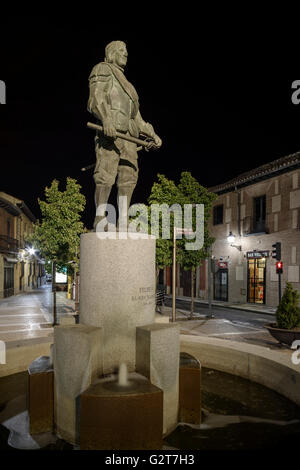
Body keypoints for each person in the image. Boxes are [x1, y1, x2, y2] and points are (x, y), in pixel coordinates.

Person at [88, 40, 162, 230]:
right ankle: (99, 217)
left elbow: (136, 118)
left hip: (129, 136)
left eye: (126, 51)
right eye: (121, 50)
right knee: (105, 176)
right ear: (111, 53)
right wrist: (106, 119)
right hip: (110, 134)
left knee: (128, 178)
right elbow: (95, 98)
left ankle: (122, 220)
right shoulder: (103, 69)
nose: (125, 54)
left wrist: (152, 134)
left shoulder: (129, 87)